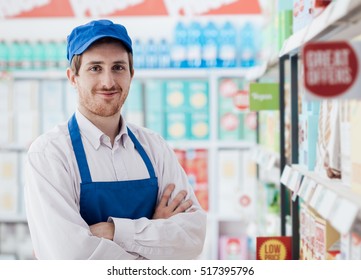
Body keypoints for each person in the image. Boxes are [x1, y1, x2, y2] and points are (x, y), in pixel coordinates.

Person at [24, 19, 207, 260]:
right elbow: (70, 259)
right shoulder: (49, 154)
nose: (108, 82)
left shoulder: (155, 147)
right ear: (73, 77)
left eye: (118, 67)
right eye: (95, 68)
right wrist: (155, 234)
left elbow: (192, 239)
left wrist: (113, 231)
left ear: (131, 74)